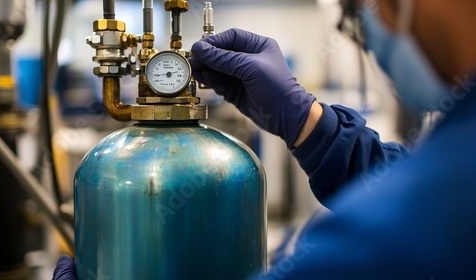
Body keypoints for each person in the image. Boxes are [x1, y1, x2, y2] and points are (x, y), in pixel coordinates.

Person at [54, 0, 476, 278]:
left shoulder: (367, 244)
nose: (368, 26)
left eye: (359, 10)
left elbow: (405, 215)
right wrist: (310, 123)